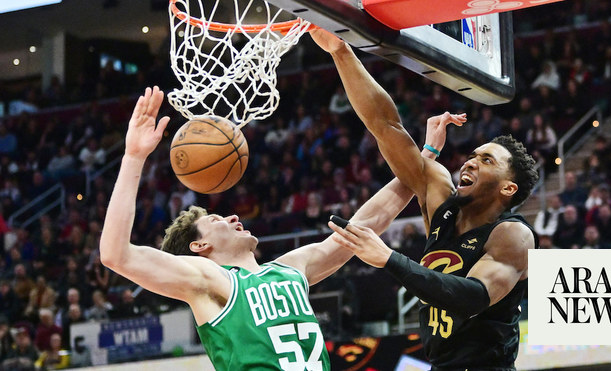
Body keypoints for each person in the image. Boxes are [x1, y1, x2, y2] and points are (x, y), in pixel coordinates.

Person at [99, 86, 444, 370]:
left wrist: (422, 160)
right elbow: (115, 254)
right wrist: (133, 156)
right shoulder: (210, 281)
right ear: (199, 247)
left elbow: (366, 225)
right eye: (217, 221)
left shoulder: (290, 270)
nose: (233, 217)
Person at [312, 29, 539, 370]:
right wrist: (341, 51)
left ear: (508, 189)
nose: (471, 161)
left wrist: (390, 259)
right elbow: (386, 126)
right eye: (474, 155)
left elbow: (471, 298)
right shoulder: (441, 202)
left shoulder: (513, 235)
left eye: (487, 160)